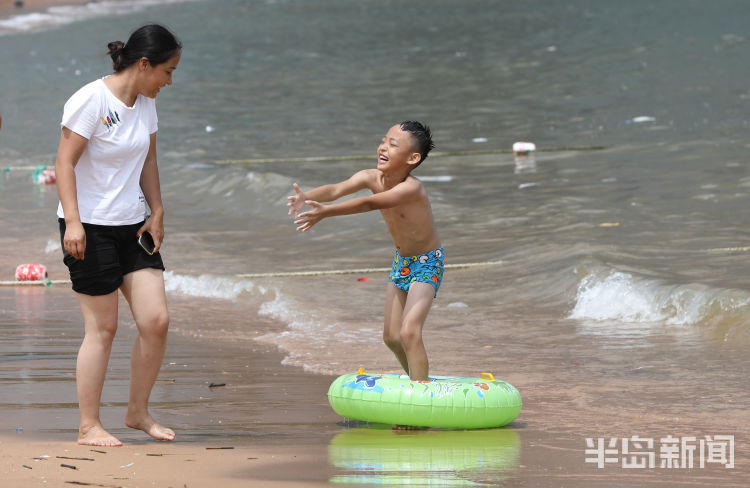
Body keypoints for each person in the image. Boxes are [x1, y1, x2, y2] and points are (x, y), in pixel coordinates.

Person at [55, 24, 181, 447]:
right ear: (144, 64)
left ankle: (137, 411)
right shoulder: (90, 100)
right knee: (102, 329)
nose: (169, 81)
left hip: (133, 224)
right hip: (88, 227)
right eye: (167, 71)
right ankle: (88, 425)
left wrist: (158, 209)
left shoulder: (145, 103)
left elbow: (148, 161)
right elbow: (65, 163)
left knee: (156, 320)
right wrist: (73, 222)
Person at [288, 121, 443, 382]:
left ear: (413, 158)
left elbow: (369, 203)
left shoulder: (412, 188)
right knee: (392, 338)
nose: (383, 147)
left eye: (393, 145)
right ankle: (417, 381)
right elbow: (337, 190)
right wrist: (308, 196)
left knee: (409, 332)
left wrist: (327, 213)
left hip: (428, 262)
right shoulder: (370, 177)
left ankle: (421, 390)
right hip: (402, 261)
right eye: (384, 140)